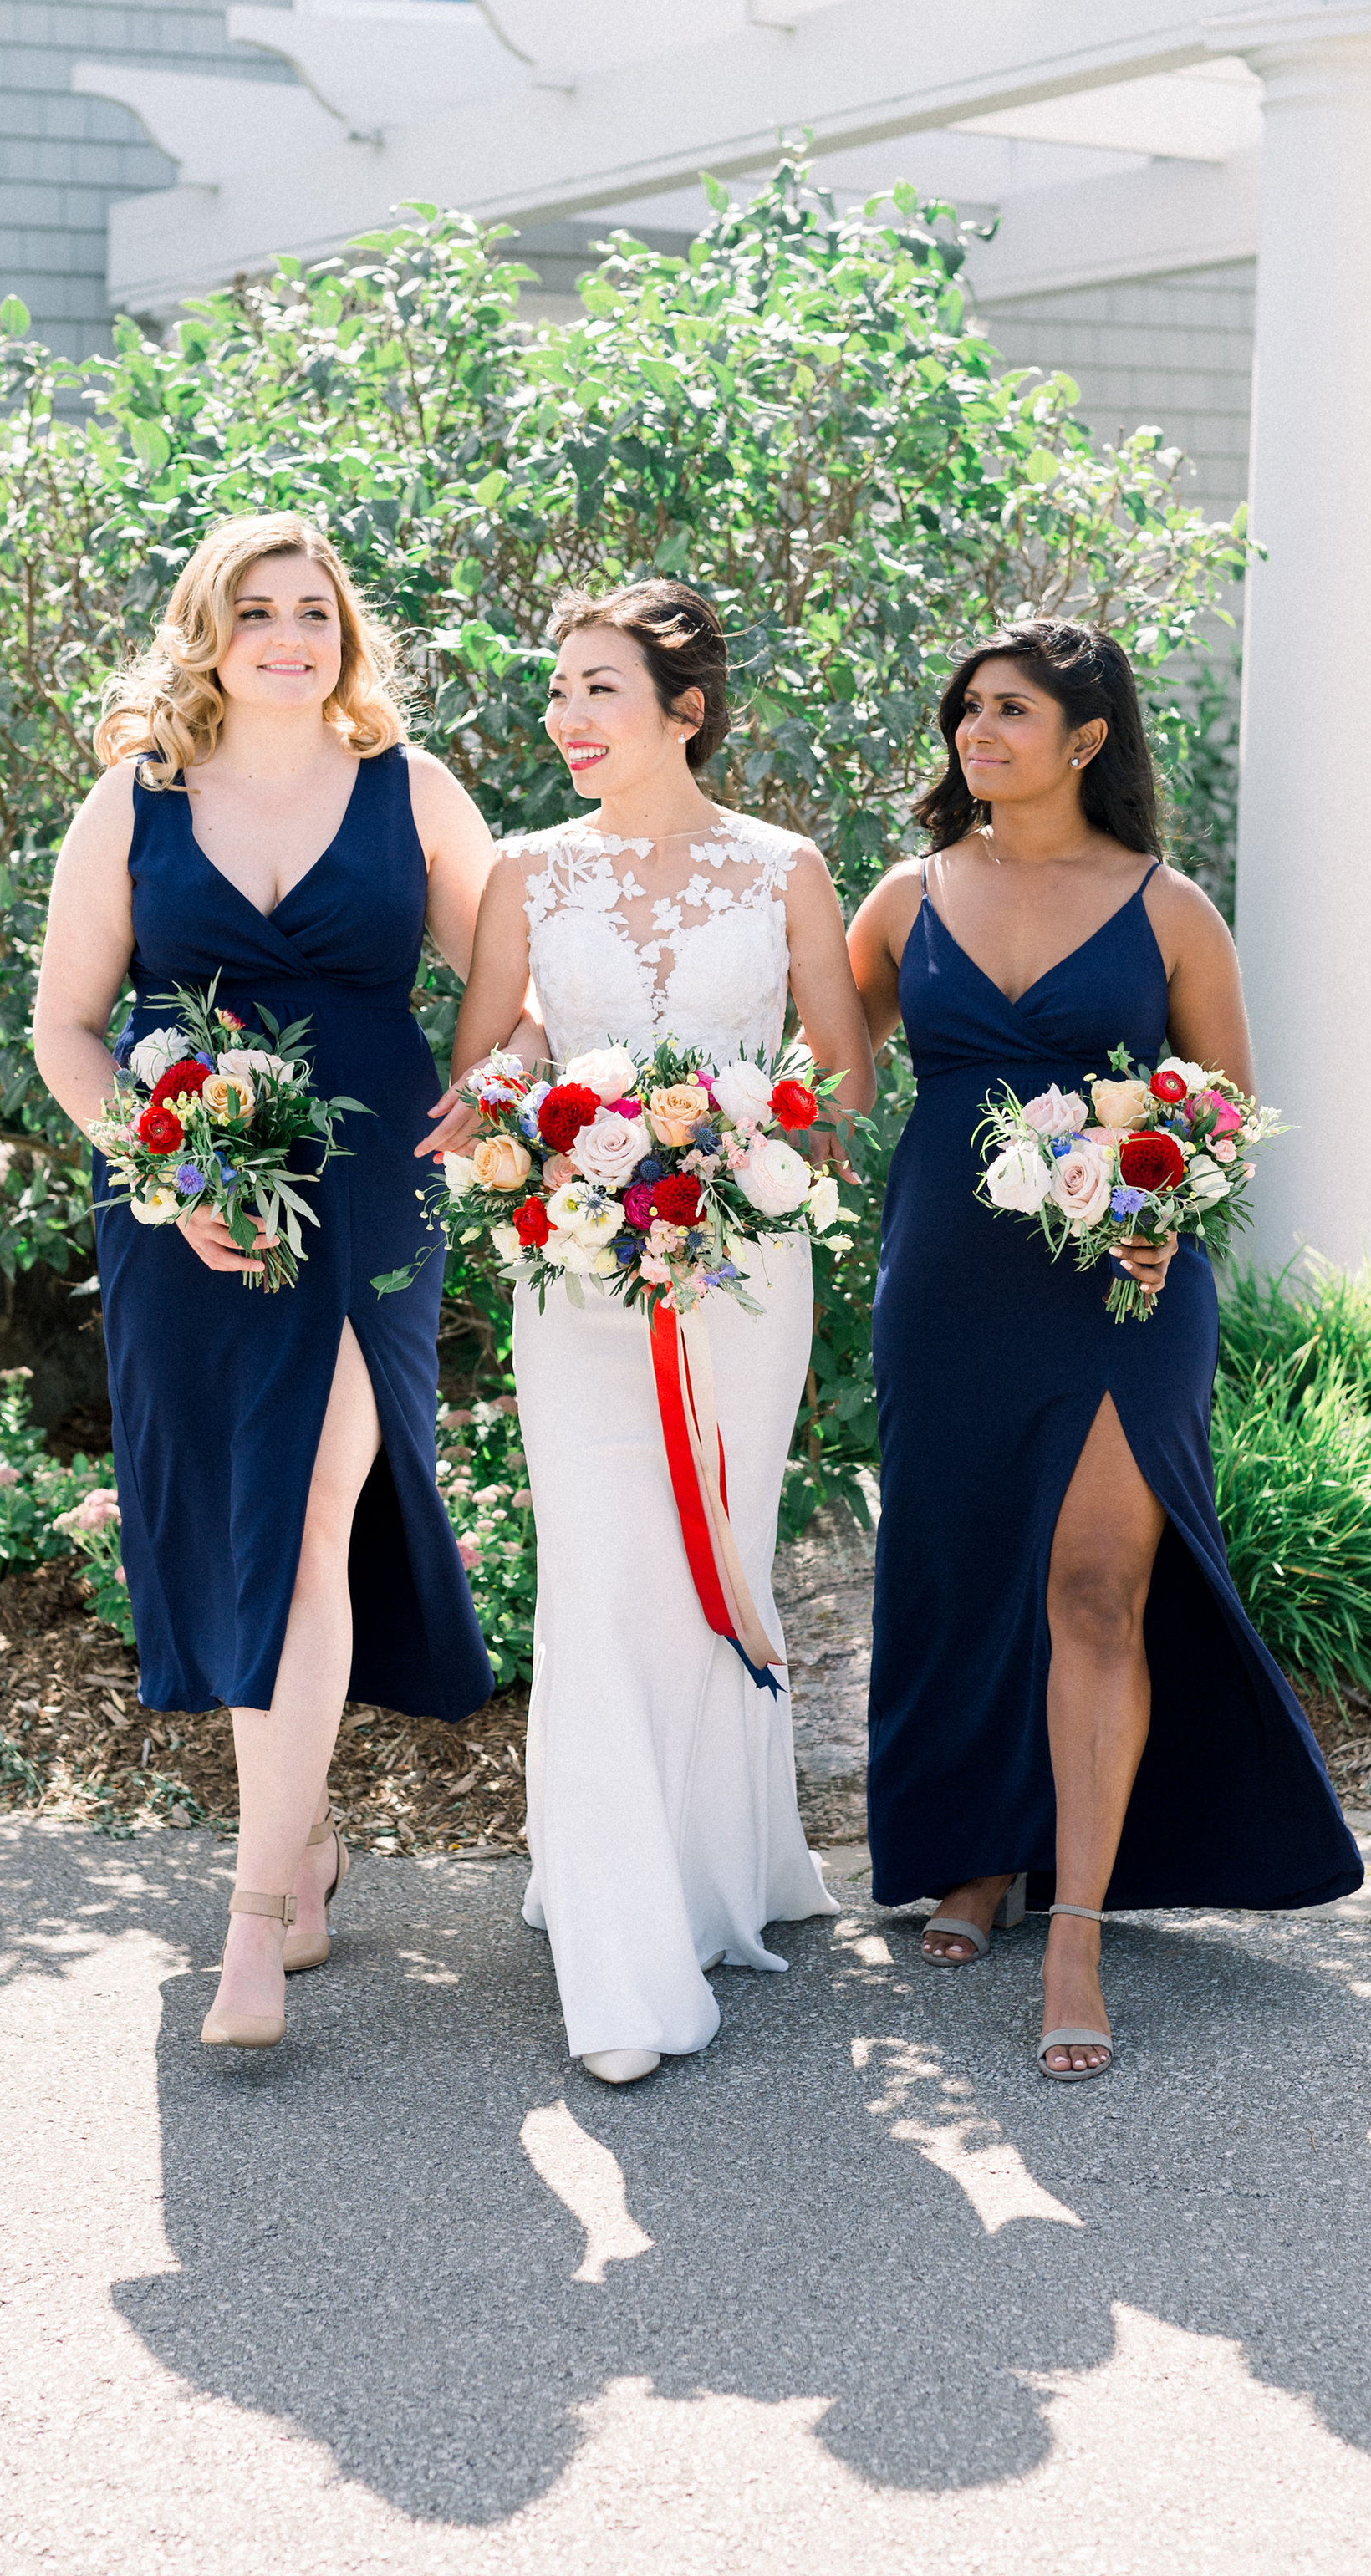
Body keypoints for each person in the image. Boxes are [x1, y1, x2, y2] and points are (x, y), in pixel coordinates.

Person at [848, 622, 1360, 2081]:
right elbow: (821, 1072)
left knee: (1092, 1590)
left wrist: (1163, 1206)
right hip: (946, 1288)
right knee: (962, 1572)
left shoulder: (1169, 907)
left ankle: (1071, 1922)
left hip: (1123, 1291)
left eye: (1012, 710)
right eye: (967, 710)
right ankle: (977, 1853)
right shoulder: (905, 899)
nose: (977, 731)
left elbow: (1227, 1117)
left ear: (1087, 740)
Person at [33, 511, 506, 2054]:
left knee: (313, 1511)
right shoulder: (133, 802)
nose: (290, 636)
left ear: (346, 632)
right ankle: (297, 1844)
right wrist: (166, 1177)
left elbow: (521, 965)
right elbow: (68, 1031)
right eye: (257, 613)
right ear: (209, 634)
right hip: (186, 1215)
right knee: (244, 1519)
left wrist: (491, 1083)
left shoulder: (411, 788)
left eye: (315, 609)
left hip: (371, 1195)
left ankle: (248, 1925)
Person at [451, 580, 877, 2085]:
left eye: (597, 690)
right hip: (575, 1269)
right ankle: (621, 1951)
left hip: (742, 1272)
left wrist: (737, 1132)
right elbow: (494, 1057)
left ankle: (720, 1870)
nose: (563, 718)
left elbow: (843, 1070)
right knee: (603, 1560)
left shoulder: (784, 871)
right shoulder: (524, 871)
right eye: (557, 690)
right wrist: (536, 1116)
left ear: (683, 711)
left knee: (713, 1552)